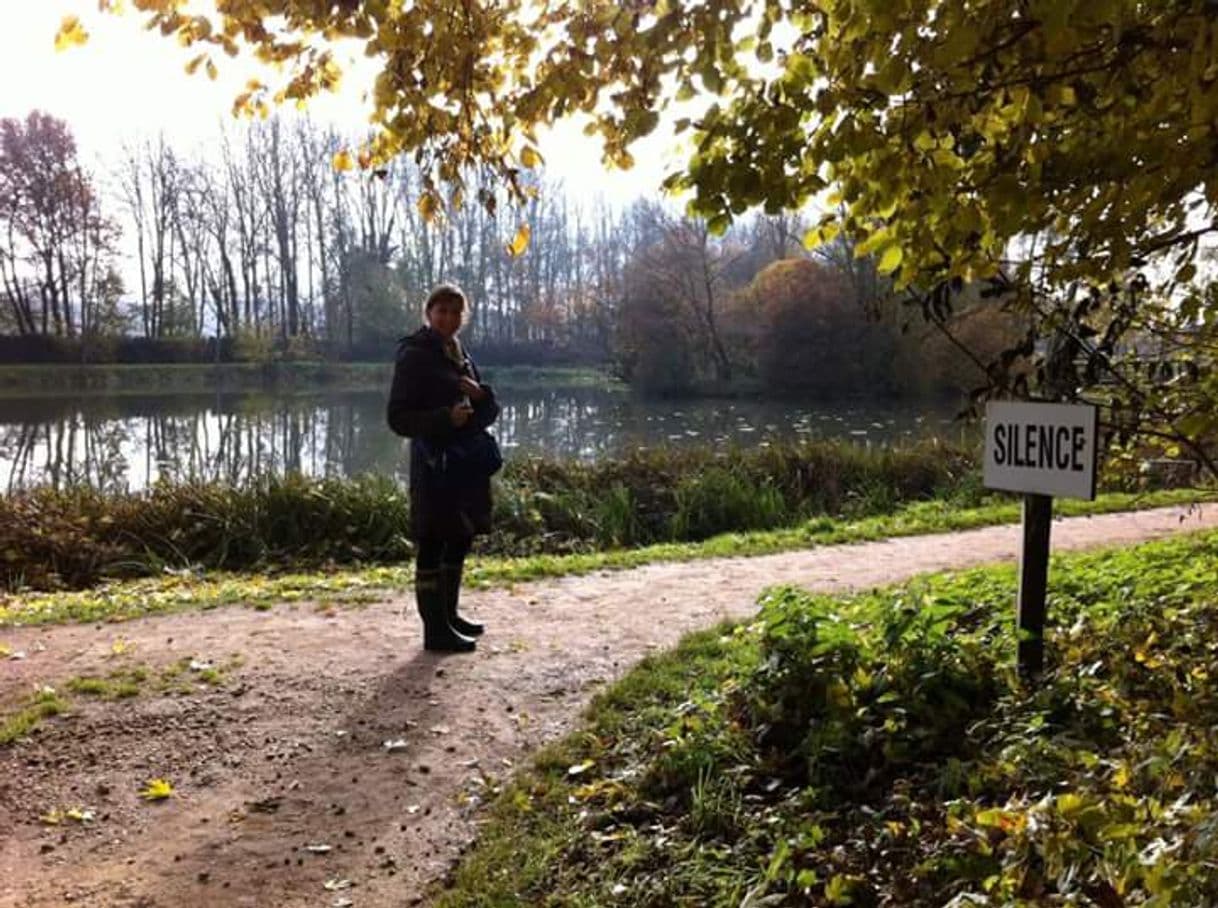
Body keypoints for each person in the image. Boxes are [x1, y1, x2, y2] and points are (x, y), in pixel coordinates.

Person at [387, 283, 499, 652]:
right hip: (435, 465)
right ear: (429, 313)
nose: (449, 318)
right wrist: (444, 418)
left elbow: (484, 415)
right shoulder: (414, 354)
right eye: (442, 311)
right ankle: (434, 631)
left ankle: (449, 617)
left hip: (464, 464)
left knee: (460, 537)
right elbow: (398, 418)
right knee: (433, 543)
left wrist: (482, 397)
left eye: (455, 312)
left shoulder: (459, 354)